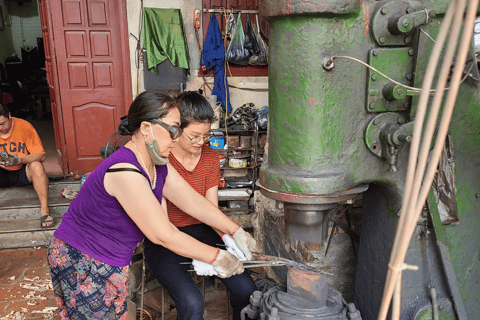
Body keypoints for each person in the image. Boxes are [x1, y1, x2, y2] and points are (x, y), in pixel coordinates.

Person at [47, 91, 258, 319]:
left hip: (112, 257)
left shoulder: (157, 164)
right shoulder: (125, 170)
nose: (177, 139)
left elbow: (194, 202)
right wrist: (218, 257)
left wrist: (235, 231)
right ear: (146, 129)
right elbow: (162, 234)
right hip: (84, 256)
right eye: (174, 130)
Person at [144, 91, 257, 320]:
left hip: (202, 230)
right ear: (177, 130)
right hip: (166, 236)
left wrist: (233, 238)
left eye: (205, 136)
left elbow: (210, 211)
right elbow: (163, 228)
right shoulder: (161, 159)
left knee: (246, 289)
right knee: (192, 303)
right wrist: (213, 255)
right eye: (193, 136)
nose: (200, 142)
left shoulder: (210, 158)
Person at [0, 103, 53, 228]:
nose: (0, 128)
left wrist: (19, 160)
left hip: (22, 171)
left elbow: (41, 155)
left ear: (9, 116)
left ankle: (45, 211)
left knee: (37, 165)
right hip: (2, 173)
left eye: (2, 124)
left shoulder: (24, 126)